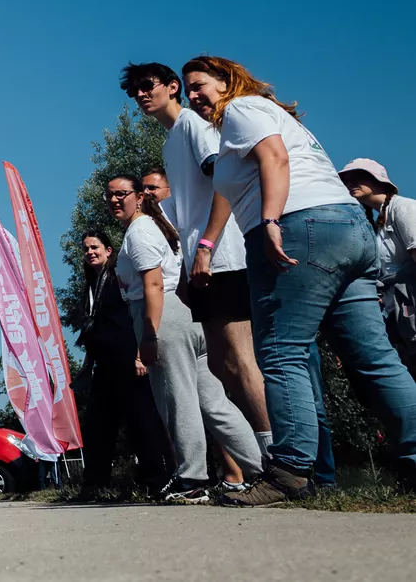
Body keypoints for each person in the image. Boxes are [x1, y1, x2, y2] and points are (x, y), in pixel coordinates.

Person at [183, 57, 416, 503]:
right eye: (188, 88)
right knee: (375, 358)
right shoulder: (265, 115)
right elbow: (233, 190)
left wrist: (271, 219)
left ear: (226, 81)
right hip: (348, 229)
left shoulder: (241, 109)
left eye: (199, 85)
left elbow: (275, 157)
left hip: (298, 227)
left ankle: (289, 471)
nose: (193, 96)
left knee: (280, 352)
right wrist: (208, 245)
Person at [124, 63, 274, 464]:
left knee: (240, 360)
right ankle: (261, 463)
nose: (140, 94)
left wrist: (206, 245)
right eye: (134, 91)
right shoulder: (171, 141)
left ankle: (278, 459)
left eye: (147, 85)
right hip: (201, 264)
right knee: (223, 366)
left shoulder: (193, 124)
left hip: (225, 255)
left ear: (173, 87)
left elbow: (226, 179)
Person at [112, 178, 263, 502]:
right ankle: (262, 468)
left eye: (121, 194)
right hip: (186, 314)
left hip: (162, 315)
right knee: (214, 403)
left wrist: (150, 334)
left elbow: (153, 284)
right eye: (109, 195)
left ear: (139, 197)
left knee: (177, 400)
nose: (114, 200)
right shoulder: (157, 226)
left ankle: (192, 479)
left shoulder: (139, 231)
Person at [74, 226, 170, 497]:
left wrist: (140, 355)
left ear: (108, 251)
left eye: (95, 247)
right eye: (86, 249)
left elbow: (136, 315)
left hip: (128, 359)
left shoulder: (118, 278)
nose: (90, 252)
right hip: (104, 364)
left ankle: (155, 481)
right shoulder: (91, 284)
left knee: (141, 421)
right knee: (97, 425)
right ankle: (94, 485)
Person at [340, 159, 416, 378]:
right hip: (400, 314)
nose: (350, 182)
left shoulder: (403, 208)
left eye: (357, 176)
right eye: (346, 180)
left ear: (379, 180)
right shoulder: (378, 223)